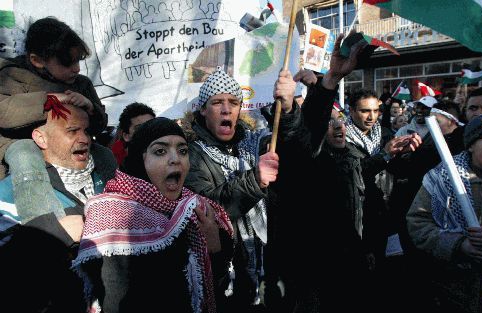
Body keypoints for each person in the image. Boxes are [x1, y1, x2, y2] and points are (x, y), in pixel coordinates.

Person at [73, 117, 233, 313]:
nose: (175, 159)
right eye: (160, 151)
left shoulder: (194, 210)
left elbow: (217, 286)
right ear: (140, 159)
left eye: (183, 151)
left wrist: (214, 247)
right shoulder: (112, 215)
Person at [264, 32, 367, 311]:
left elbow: (307, 134)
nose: (335, 128)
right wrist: (286, 113)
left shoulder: (348, 156)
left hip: (338, 263)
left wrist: (331, 79)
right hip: (299, 267)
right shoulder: (269, 144)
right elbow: (300, 147)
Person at [0, 104, 117, 313]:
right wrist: (57, 232)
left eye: (87, 131)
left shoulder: (111, 180)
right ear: (41, 138)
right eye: (72, 131)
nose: (84, 139)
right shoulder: (10, 192)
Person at [183, 67, 282, 312]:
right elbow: (209, 209)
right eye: (217, 102)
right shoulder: (190, 153)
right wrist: (254, 180)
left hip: (264, 267)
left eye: (233, 102)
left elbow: (297, 143)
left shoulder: (253, 144)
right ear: (203, 109)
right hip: (224, 276)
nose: (227, 109)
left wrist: (288, 109)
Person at [0, 17, 108, 231]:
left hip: (67, 146)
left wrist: (90, 107)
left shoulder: (81, 84)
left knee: (104, 154)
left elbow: (100, 124)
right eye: (68, 62)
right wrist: (50, 100)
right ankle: (45, 225)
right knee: (24, 153)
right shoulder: (12, 77)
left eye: (79, 61)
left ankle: (112, 211)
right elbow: (4, 112)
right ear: (37, 60)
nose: (77, 69)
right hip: (21, 145)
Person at [407, 110, 482, 313]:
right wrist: (458, 245)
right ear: (471, 144)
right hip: (455, 290)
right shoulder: (441, 179)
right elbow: (418, 223)